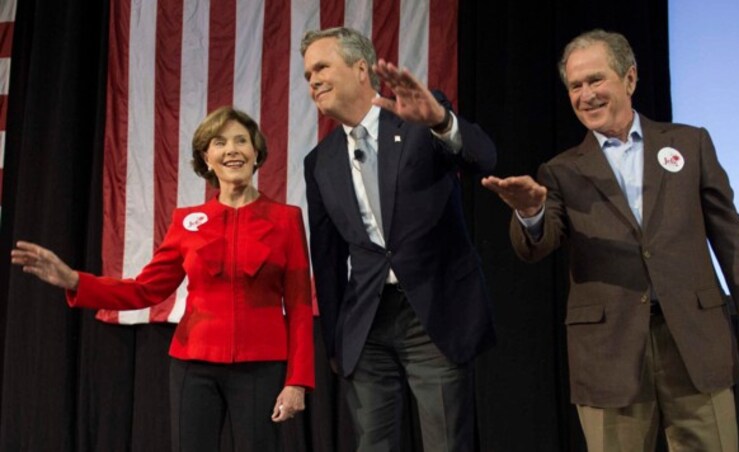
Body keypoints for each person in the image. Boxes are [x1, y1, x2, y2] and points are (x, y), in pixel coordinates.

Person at [482, 29, 739, 452]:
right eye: (575, 86)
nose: (585, 94)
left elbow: (730, 233)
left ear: (629, 78)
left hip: (694, 342)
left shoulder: (689, 143)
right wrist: (530, 211)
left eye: (595, 80)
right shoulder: (560, 170)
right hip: (610, 354)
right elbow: (537, 244)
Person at [11, 107, 314, 452]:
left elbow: (301, 306)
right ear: (207, 158)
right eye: (220, 142)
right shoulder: (186, 221)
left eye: (241, 141)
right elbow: (145, 291)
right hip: (192, 366)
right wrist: (76, 281)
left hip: (262, 368)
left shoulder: (286, 219)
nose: (232, 149)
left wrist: (298, 382)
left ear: (256, 152)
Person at [301, 27, 496, 451]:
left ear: (360, 69)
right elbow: (328, 256)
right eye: (307, 74)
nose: (312, 80)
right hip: (367, 323)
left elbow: (484, 156)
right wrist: (337, 340)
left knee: (446, 442)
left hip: (433, 315)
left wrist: (442, 122)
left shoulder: (418, 118)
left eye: (321, 67)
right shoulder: (320, 161)